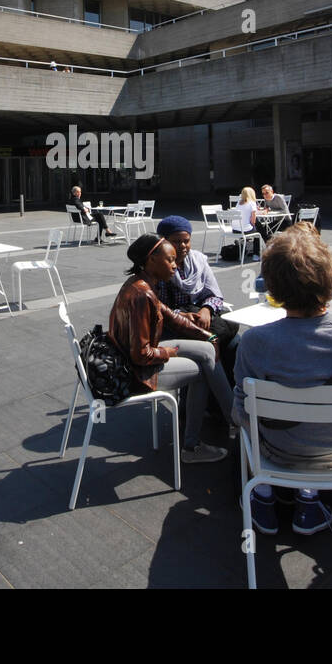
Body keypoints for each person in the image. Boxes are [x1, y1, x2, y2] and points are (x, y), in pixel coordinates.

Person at [232, 224, 332, 535]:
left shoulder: (256, 341)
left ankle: (263, 497)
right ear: (331, 279)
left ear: (271, 286)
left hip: (276, 453)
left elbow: (241, 412)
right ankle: (309, 502)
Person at [108, 234, 234, 463]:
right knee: (201, 371)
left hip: (137, 356)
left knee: (206, 351)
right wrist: (170, 352)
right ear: (151, 261)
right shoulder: (141, 295)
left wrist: (210, 335)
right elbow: (141, 354)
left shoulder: (144, 285)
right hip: (135, 371)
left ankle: (231, 420)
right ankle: (205, 438)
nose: (175, 265)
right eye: (170, 260)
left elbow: (174, 319)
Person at [152, 216, 239, 382]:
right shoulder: (158, 267)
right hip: (171, 324)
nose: (183, 246)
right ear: (164, 242)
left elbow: (214, 293)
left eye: (186, 240)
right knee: (208, 347)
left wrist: (207, 310)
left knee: (234, 341)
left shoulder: (198, 260)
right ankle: (208, 399)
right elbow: (155, 307)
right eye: (176, 241)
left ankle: (226, 391)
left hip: (199, 316)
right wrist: (180, 315)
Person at [232, 186, 262, 260]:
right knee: (259, 233)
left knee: (254, 228)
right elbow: (253, 221)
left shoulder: (238, 203)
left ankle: (247, 248)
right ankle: (256, 255)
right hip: (245, 230)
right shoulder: (252, 203)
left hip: (235, 230)